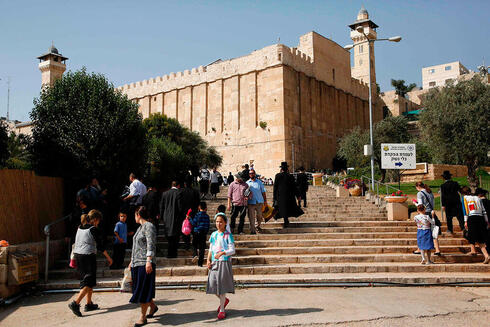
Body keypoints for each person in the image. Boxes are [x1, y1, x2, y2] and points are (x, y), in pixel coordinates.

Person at [68, 210, 112, 317]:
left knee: (88, 280)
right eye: (98, 221)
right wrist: (109, 258)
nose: (98, 223)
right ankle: (76, 303)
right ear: (95, 220)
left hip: (79, 256)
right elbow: (101, 246)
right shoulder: (93, 229)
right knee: (88, 282)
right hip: (88, 257)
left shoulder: (79, 227)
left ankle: (89, 304)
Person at [129, 206, 158, 326]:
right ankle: (153, 307)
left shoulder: (149, 226)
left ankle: (142, 317)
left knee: (143, 290)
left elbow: (151, 244)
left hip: (145, 263)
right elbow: (136, 246)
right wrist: (131, 261)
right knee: (140, 288)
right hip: (137, 263)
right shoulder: (139, 228)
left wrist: (148, 261)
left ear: (138, 215)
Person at [206, 214, 235, 320]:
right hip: (214, 263)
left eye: (221, 222)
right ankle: (224, 300)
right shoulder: (213, 235)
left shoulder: (228, 235)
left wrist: (222, 253)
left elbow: (232, 250)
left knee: (222, 288)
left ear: (225, 223)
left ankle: (222, 309)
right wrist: (208, 259)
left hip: (224, 262)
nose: (219, 224)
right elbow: (210, 249)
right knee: (212, 285)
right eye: (217, 222)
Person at [461, 186, 490, 264]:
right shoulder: (478, 198)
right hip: (480, 218)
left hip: (472, 218)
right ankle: (486, 254)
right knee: (480, 238)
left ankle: (482, 253)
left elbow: (465, 210)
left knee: (472, 236)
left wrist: (465, 221)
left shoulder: (464, 198)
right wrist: (487, 221)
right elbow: (484, 211)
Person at [273, 162, 303, 228]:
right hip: (289, 196)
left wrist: (274, 198)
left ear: (281, 169)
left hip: (280, 196)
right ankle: (285, 221)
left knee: (281, 208)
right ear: (287, 169)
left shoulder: (277, 176)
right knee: (286, 209)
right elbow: (295, 187)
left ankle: (282, 219)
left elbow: (275, 188)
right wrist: (298, 196)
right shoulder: (290, 176)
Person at [415, 182, 442, 255]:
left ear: (418, 187)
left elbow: (420, 205)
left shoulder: (420, 194)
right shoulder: (430, 192)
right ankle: (437, 249)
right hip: (432, 213)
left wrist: (415, 203)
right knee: (434, 232)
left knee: (422, 232)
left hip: (425, 214)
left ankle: (419, 248)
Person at [160, 181, 182, 258]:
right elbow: (180, 207)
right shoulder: (179, 193)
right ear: (178, 186)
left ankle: (169, 253)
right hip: (176, 218)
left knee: (169, 235)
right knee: (175, 235)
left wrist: (162, 216)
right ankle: (174, 253)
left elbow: (161, 206)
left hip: (167, 217)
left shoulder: (165, 193)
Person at [440, 171, 464, 235]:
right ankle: (463, 227)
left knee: (449, 217)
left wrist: (443, 205)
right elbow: (460, 191)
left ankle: (450, 229)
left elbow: (443, 196)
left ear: (444, 178)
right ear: (450, 177)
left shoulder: (443, 186)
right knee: (460, 216)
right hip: (456, 202)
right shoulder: (455, 183)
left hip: (448, 203)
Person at [189, 201, 210, 266]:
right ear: (206, 208)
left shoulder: (197, 215)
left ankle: (195, 254)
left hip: (197, 232)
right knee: (202, 248)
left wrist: (189, 219)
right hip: (203, 233)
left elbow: (194, 223)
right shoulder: (207, 216)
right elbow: (208, 225)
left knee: (194, 244)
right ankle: (200, 263)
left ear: (199, 207)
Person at [246, 169, 267, 234]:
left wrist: (265, 201)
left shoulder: (259, 182)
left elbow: (263, 192)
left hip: (259, 201)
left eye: (252, 173)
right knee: (251, 217)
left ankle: (258, 226)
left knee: (259, 216)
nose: (251, 174)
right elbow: (245, 193)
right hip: (251, 202)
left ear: (254, 174)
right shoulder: (247, 183)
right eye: (250, 173)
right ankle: (253, 230)